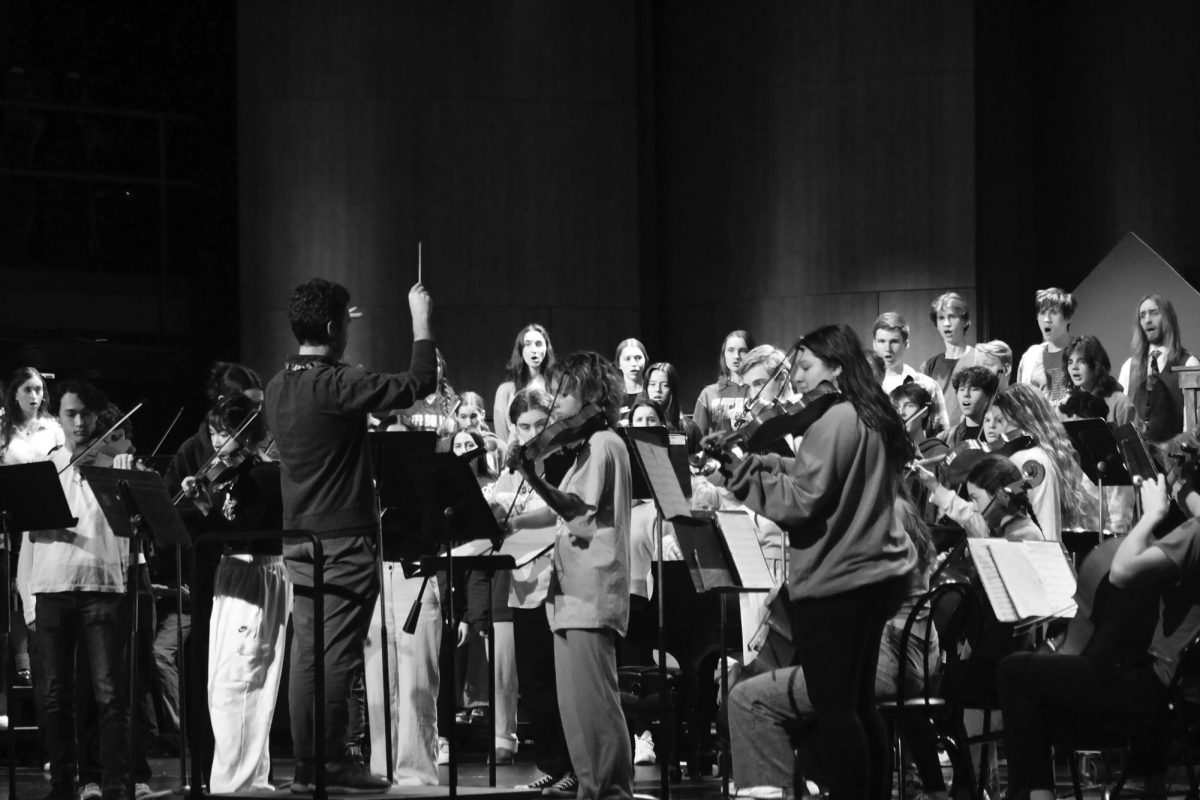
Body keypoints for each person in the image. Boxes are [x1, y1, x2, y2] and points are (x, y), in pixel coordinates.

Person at [710, 324, 917, 800]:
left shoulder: (833, 421)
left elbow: (802, 502)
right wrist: (759, 464)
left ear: (836, 368)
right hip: (877, 577)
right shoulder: (868, 414)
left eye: (804, 367)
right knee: (860, 705)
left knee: (835, 708)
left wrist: (740, 475)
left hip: (838, 581)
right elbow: (821, 477)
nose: (796, 379)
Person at [263, 278, 436, 793]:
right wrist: (420, 316)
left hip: (300, 538)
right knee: (336, 656)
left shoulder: (277, 385)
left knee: (308, 656)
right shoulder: (338, 383)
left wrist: (331, 331)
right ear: (337, 327)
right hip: (342, 542)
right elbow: (419, 382)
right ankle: (330, 765)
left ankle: (308, 768)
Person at [728, 496, 945, 800]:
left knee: (747, 699)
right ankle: (800, 783)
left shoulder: (879, 512)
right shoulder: (895, 508)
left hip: (886, 662)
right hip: (915, 660)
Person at [999, 473, 1200, 800]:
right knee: (1040, 704)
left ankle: (1037, 796)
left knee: (1014, 672)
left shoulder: (1195, 533)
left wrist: (1151, 515)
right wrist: (1182, 486)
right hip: (1178, 688)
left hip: (1153, 686)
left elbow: (1121, 571)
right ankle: (1154, 784)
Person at [507, 352, 634, 800]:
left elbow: (576, 512)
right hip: (569, 591)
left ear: (591, 394)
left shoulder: (603, 444)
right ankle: (589, 786)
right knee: (573, 706)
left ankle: (611, 789)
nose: (557, 401)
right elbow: (567, 509)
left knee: (595, 703)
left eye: (565, 391)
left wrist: (532, 475)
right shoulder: (586, 447)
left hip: (592, 588)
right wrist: (517, 520)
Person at [17, 379, 134, 800]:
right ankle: (62, 783)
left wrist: (124, 470)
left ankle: (116, 781)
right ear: (60, 418)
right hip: (52, 586)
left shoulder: (115, 464)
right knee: (54, 695)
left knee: (109, 692)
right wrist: (27, 595)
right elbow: (27, 539)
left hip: (102, 585)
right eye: (71, 414)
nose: (80, 422)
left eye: (85, 413)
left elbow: (135, 526)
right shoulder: (45, 468)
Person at [181, 395, 290, 794]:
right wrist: (204, 504)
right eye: (211, 433)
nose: (214, 442)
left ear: (245, 435)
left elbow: (244, 532)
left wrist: (209, 508)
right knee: (223, 685)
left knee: (240, 684)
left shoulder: (263, 475)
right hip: (234, 574)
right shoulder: (238, 475)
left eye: (222, 433)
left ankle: (238, 786)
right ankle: (247, 783)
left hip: (255, 572)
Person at [489, 387, 577, 795]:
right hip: (521, 585)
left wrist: (518, 522)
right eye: (523, 426)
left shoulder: (562, 463)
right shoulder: (512, 469)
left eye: (538, 424)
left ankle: (574, 767)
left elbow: (561, 509)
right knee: (534, 684)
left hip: (557, 584)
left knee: (561, 684)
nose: (531, 433)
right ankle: (550, 763)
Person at [980, 383, 1089, 540]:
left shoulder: (1030, 460)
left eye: (1001, 420)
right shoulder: (1038, 456)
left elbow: (1045, 528)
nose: (996, 428)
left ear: (1023, 420)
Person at [1116, 294, 1200, 443]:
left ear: (1168, 318)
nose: (1147, 320)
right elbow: (1122, 420)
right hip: (1138, 460)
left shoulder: (1188, 364)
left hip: (1176, 460)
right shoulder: (1129, 367)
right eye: (1142, 316)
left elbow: (1192, 428)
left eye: (1154, 313)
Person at [873, 312, 950, 435]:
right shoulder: (866, 386)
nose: (887, 348)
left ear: (906, 344)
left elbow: (942, 435)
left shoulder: (926, 385)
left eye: (894, 341)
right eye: (882, 341)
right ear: (874, 344)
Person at [920, 292, 979, 426]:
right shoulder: (929, 366)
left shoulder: (979, 359)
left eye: (951, 317)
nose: (946, 323)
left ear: (964, 321)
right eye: (941, 318)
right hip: (939, 440)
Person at [493, 324, 555, 443]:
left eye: (539, 344)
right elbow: (502, 437)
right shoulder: (505, 390)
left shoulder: (555, 387)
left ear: (547, 349)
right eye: (528, 344)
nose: (534, 350)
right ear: (520, 350)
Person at [1016, 287, 1077, 407]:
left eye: (1054, 313)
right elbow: (1021, 399)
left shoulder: (1082, 351)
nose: (1046, 319)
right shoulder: (1031, 357)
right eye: (1042, 313)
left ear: (1068, 317)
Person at [693, 330, 754, 438]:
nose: (736, 356)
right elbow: (697, 436)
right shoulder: (708, 393)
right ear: (724, 354)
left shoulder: (759, 390)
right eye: (730, 350)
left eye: (743, 350)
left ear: (752, 353)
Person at [643, 361, 701, 452]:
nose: (658, 389)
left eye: (665, 385)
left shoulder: (689, 427)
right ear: (646, 388)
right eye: (652, 384)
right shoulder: (638, 423)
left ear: (672, 390)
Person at [939, 366, 999, 447]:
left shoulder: (997, 434)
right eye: (962, 389)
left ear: (989, 396)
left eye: (974, 389)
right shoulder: (945, 437)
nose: (966, 394)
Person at [614, 338, 649, 424]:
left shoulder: (652, 393)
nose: (633, 364)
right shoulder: (613, 397)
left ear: (646, 360)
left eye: (638, 358)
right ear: (618, 363)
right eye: (627, 359)